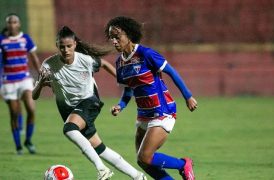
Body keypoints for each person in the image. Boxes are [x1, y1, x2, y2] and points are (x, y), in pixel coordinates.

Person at [32, 26, 147, 180]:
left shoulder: (85, 60)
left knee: (69, 129)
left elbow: (104, 64)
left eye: (69, 46)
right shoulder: (48, 65)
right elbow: (34, 95)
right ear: (57, 46)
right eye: (62, 47)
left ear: (75, 45)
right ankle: (138, 176)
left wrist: (123, 81)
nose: (66, 50)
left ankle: (102, 170)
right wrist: (40, 84)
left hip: (89, 101)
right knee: (100, 148)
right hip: (70, 111)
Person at [105, 16, 198, 180]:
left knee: (145, 156)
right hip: (143, 115)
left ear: (129, 35)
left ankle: (183, 164)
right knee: (143, 162)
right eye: (111, 37)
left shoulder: (146, 54)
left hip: (162, 111)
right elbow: (128, 91)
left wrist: (188, 96)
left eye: (117, 36)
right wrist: (120, 105)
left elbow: (171, 72)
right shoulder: (120, 63)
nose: (113, 41)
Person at [0, 13, 40, 155]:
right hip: (8, 82)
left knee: (31, 109)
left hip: (24, 79)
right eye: (10, 22)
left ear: (19, 24)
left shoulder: (26, 38)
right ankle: (18, 147)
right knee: (14, 114)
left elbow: (34, 58)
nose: (12, 24)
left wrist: (41, 73)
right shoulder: (2, 40)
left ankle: (28, 140)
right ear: (7, 24)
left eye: (15, 22)